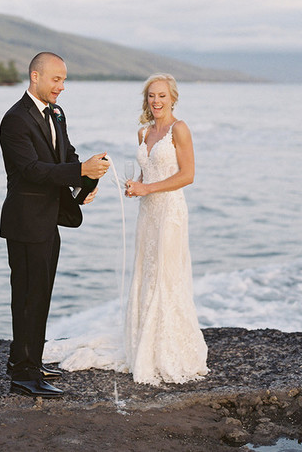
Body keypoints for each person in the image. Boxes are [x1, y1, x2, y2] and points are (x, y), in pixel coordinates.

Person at [0, 51, 110, 398]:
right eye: (56, 79)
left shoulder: (57, 114)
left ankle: (29, 360)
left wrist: (86, 183)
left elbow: (66, 155)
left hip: (49, 221)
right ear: (35, 76)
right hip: (25, 223)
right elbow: (32, 171)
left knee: (41, 295)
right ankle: (22, 375)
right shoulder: (15, 120)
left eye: (64, 80)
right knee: (28, 297)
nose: (62, 86)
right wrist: (79, 172)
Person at [124, 73, 209, 385]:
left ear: (173, 98)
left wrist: (148, 189)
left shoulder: (179, 129)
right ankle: (144, 342)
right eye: (151, 96)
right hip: (148, 213)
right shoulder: (143, 132)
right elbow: (146, 178)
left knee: (167, 274)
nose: (156, 101)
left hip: (171, 211)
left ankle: (170, 348)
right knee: (147, 272)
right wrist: (136, 188)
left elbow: (188, 175)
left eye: (161, 96)